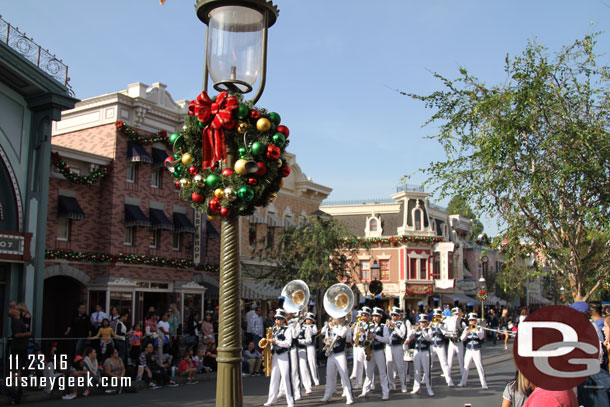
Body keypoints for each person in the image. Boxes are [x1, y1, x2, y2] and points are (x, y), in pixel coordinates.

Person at [320, 316, 354, 405]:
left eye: (335, 318)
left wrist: (333, 327)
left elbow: (342, 334)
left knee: (344, 375)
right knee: (329, 376)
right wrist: (326, 341)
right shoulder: (329, 329)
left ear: (340, 319)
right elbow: (326, 337)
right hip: (331, 354)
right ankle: (328, 394)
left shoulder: (344, 328)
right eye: (332, 318)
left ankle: (349, 396)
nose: (333, 320)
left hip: (340, 354)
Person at [264, 309, 294, 407]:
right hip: (275, 355)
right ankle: (271, 399)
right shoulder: (274, 329)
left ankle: (290, 401)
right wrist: (270, 349)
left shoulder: (287, 329)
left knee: (286, 377)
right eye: (276, 319)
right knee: (274, 378)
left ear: (284, 320)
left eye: (279, 319)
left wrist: (276, 341)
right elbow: (271, 342)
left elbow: (288, 343)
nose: (277, 321)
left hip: (283, 354)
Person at [360, 307, 390, 400]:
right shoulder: (369, 325)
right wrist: (363, 333)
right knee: (368, 373)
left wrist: (375, 336)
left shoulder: (383, 327)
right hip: (370, 351)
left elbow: (387, 340)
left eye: (377, 316)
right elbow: (364, 337)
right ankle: (365, 391)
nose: (374, 318)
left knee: (382, 373)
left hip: (379, 351)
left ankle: (385, 392)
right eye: (373, 316)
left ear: (380, 317)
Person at [458, 312, 488, 389]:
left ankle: (483, 383)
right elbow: (461, 339)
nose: (471, 322)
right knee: (466, 366)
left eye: (473, 320)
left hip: (476, 349)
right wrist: (466, 334)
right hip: (468, 350)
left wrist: (475, 330)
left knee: (479, 366)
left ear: (476, 321)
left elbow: (481, 337)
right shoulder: (466, 328)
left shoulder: (479, 328)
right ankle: (463, 382)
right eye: (470, 320)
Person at [408, 313, 434, 396]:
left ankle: (429, 388)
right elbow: (409, 338)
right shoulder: (416, 329)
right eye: (421, 322)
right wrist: (412, 331)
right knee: (417, 370)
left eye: (424, 322)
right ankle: (416, 388)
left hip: (425, 351)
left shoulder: (428, 329)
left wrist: (422, 330)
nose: (422, 323)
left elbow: (428, 338)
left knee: (427, 370)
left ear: (426, 322)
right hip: (416, 351)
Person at [385, 307, 408, 393]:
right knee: (389, 366)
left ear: (399, 316)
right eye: (392, 315)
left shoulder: (401, 324)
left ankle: (403, 385)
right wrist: (387, 326)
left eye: (395, 315)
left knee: (400, 366)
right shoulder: (388, 323)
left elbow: (402, 335)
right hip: (389, 346)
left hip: (397, 346)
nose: (393, 317)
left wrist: (394, 326)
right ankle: (391, 384)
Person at [350, 306, 372, 390]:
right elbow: (354, 335)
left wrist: (364, 331)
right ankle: (358, 383)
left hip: (366, 347)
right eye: (362, 315)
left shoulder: (370, 325)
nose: (363, 317)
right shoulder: (358, 324)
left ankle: (370, 383)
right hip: (359, 346)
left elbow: (371, 335)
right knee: (359, 365)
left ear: (369, 316)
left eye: (365, 315)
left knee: (367, 366)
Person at [295, 316, 313, 393]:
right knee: (292, 371)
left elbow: (309, 340)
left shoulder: (306, 328)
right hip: (291, 350)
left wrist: (299, 341)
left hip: (301, 349)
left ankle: (307, 386)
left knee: (303, 368)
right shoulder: (289, 327)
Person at [303, 312, 320, 386]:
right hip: (303, 346)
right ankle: (307, 380)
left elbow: (315, 332)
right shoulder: (302, 326)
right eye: (307, 319)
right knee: (304, 364)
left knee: (312, 362)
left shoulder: (313, 326)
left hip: (310, 346)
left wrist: (309, 327)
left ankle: (315, 379)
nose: (307, 321)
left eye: (309, 319)